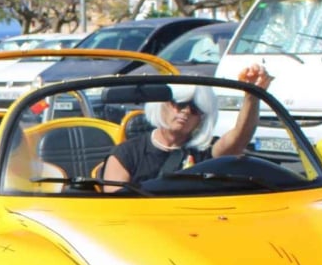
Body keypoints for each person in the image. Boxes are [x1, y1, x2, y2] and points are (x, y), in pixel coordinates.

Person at [100, 64, 274, 186]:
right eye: (179, 104)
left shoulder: (206, 150)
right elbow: (116, 209)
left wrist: (252, 96)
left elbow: (240, 137)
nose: (185, 112)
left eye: (195, 108)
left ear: (203, 117)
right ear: (161, 104)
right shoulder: (126, 154)